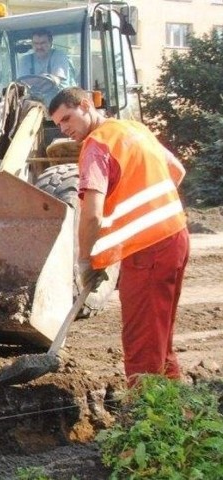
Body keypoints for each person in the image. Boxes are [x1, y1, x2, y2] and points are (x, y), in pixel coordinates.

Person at [48, 87, 189, 388]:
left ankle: (145, 422)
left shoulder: (96, 146)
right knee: (160, 333)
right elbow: (177, 170)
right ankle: (174, 410)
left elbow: (93, 215)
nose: (64, 128)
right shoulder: (134, 129)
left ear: (86, 105)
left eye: (67, 118)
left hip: (149, 252)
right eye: (59, 124)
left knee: (141, 339)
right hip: (176, 237)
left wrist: (86, 261)